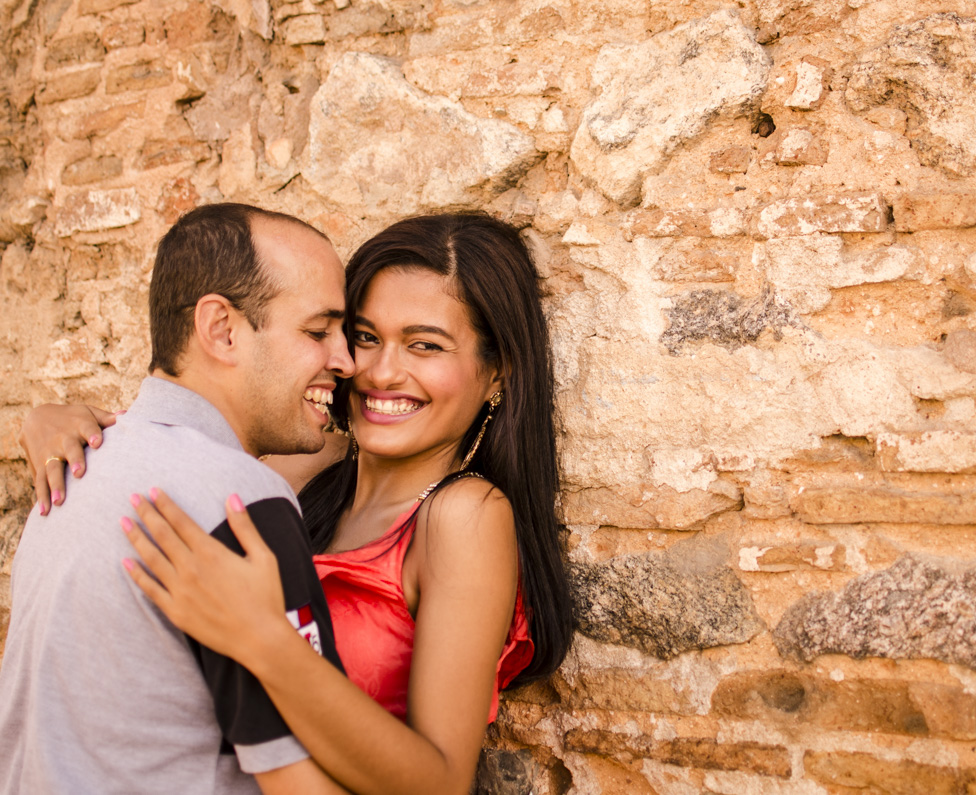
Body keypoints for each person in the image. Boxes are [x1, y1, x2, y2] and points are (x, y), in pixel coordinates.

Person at [20, 213, 575, 795]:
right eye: (363, 336)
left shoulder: (465, 516)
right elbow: (184, 430)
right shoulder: (298, 463)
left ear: (497, 372)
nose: (375, 371)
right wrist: (56, 422)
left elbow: (439, 783)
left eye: (424, 345)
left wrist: (267, 645)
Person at [0, 203, 357, 793]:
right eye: (317, 331)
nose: (344, 361)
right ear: (221, 329)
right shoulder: (241, 501)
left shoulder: (74, 469)